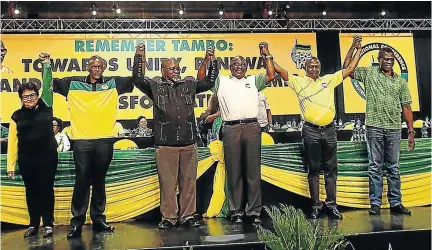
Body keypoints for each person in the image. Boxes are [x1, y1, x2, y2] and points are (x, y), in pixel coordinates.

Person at [40, 52, 135, 238]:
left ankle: (99, 219)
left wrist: (139, 58)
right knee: (82, 180)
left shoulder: (113, 83)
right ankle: (77, 222)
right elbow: (49, 86)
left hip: (105, 140)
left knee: (99, 181)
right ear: (88, 67)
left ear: (104, 68)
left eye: (100, 66)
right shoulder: (73, 83)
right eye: (94, 66)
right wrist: (47, 65)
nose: (97, 69)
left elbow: (135, 80)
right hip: (82, 140)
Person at [273, 35, 362, 220]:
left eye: (316, 66)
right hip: (310, 131)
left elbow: (350, 69)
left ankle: (331, 204)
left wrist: (357, 48)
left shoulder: (329, 80)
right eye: (310, 67)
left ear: (320, 68)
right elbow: (280, 71)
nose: (314, 69)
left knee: (331, 169)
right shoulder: (299, 81)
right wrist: (267, 55)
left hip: (329, 130)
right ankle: (315, 205)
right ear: (305, 68)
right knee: (313, 170)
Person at [133, 43, 218, 229]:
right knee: (168, 184)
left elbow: (209, 82)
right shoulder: (155, 85)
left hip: (189, 142)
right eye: (171, 68)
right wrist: (139, 56)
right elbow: (138, 80)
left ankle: (187, 215)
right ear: (163, 70)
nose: (176, 71)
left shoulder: (188, 84)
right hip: (165, 144)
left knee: (189, 183)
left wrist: (212, 62)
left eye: (177, 68)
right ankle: (169, 217)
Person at [199, 42, 275, 224]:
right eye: (235, 64)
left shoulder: (253, 81)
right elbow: (202, 78)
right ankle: (236, 211)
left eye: (242, 64)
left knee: (253, 171)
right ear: (230, 67)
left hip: (252, 127)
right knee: (234, 171)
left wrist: (267, 55)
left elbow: (271, 75)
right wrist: (206, 60)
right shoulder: (221, 81)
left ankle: (254, 211)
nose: (239, 67)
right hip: (230, 128)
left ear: (246, 67)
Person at [344, 43, 414, 216]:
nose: (389, 62)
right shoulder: (369, 73)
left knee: (394, 167)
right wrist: (353, 47)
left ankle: (395, 203)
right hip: (374, 126)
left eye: (392, 59)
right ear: (379, 60)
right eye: (386, 59)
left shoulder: (400, 81)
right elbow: (346, 68)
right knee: (375, 166)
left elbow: (406, 107)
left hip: (394, 128)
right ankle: (375, 203)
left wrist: (411, 132)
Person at [7, 55, 58, 238]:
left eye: (32, 95)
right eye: (24, 96)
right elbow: (12, 142)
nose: (28, 99)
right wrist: (10, 165)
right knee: (31, 191)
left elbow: (48, 84)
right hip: (27, 159)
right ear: (20, 98)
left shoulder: (47, 106)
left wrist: (46, 65)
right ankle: (33, 224)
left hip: (47, 157)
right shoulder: (16, 116)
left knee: (46, 189)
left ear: (38, 96)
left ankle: (48, 224)